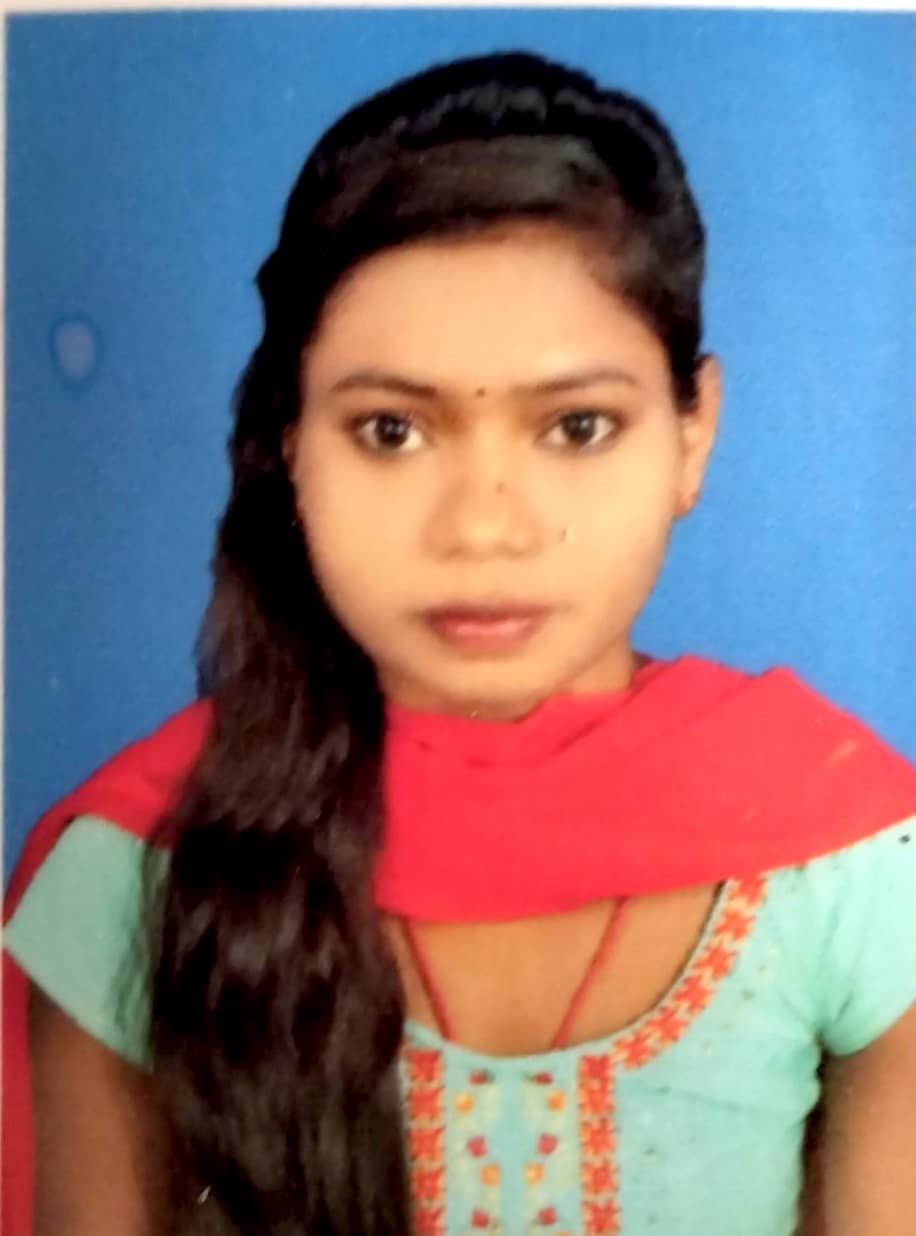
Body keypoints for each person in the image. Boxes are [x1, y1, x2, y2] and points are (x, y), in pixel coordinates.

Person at [4, 50, 916, 1236]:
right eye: (391, 430)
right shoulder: (136, 874)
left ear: (692, 437)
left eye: (577, 426)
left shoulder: (852, 868)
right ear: (290, 445)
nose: (483, 528)